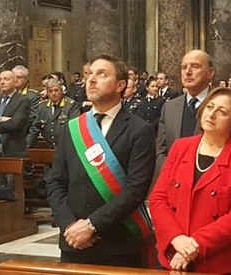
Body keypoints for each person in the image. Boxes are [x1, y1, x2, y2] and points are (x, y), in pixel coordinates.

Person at [47, 55, 156, 267]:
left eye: (101, 74)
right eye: (90, 74)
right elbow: (56, 181)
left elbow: (135, 190)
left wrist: (91, 226)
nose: (91, 79)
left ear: (120, 85)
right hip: (74, 241)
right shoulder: (73, 128)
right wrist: (69, 224)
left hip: (118, 242)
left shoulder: (139, 129)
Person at [149, 88, 231, 273]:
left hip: (222, 262)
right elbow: (158, 199)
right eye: (209, 107)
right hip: (173, 254)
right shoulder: (180, 147)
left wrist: (195, 245)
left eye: (222, 112)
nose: (212, 114)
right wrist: (177, 239)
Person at [155, 50, 215, 181]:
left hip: (208, 182)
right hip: (173, 181)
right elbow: (161, 151)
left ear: (210, 73)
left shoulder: (221, 105)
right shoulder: (170, 107)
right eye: (184, 67)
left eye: (195, 66)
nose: (188, 72)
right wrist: (174, 173)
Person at [27, 78, 79, 148]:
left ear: (61, 91)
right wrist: (28, 144)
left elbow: (74, 128)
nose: (54, 93)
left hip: (66, 146)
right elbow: (36, 127)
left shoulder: (70, 105)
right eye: (50, 91)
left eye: (56, 90)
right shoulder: (42, 106)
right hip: (49, 147)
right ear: (47, 93)